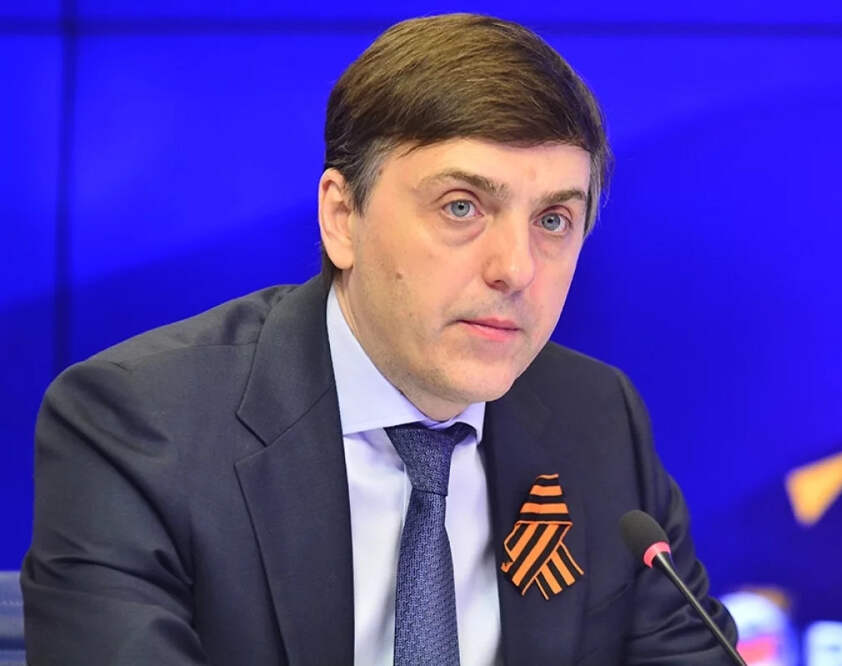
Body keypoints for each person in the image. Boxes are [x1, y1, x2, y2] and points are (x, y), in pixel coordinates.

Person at [21, 13, 737, 665]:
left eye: (553, 220)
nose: (516, 269)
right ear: (342, 217)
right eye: (462, 207)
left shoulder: (598, 419)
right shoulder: (141, 427)